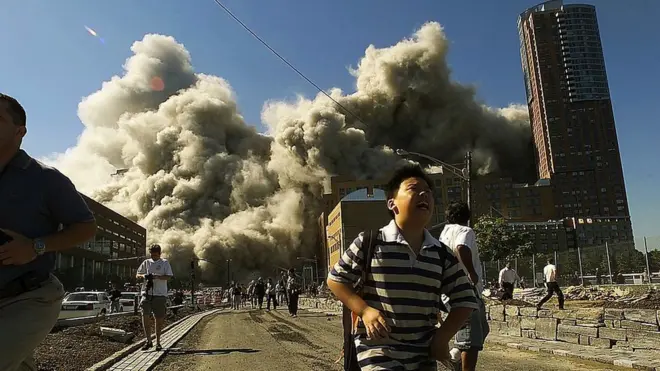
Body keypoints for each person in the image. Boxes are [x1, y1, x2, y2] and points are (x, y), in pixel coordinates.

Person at [327, 164, 478, 370]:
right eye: (414, 189)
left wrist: (442, 337)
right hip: (379, 349)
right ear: (392, 203)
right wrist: (364, 311)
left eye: (428, 192)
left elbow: (466, 299)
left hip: (423, 355)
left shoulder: (441, 254)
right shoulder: (369, 242)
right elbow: (335, 279)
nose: (424, 194)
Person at [0, 93, 98, 371]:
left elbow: (86, 226)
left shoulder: (45, 179)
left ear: (20, 131)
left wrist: (35, 247)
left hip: (28, 298)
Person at [439, 201, 489, 371]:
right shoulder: (465, 230)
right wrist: (471, 272)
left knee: (482, 328)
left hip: (453, 289)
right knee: (471, 340)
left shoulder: (444, 232)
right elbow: (462, 247)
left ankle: (454, 356)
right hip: (465, 290)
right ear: (467, 217)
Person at [136, 244, 174, 351]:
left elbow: (169, 276)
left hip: (160, 294)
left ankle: (158, 342)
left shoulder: (164, 263)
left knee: (159, 319)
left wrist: (157, 276)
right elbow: (137, 275)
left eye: (155, 255)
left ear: (159, 254)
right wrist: (144, 276)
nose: (153, 257)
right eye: (152, 255)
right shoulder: (146, 263)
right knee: (145, 316)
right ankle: (148, 341)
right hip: (146, 293)